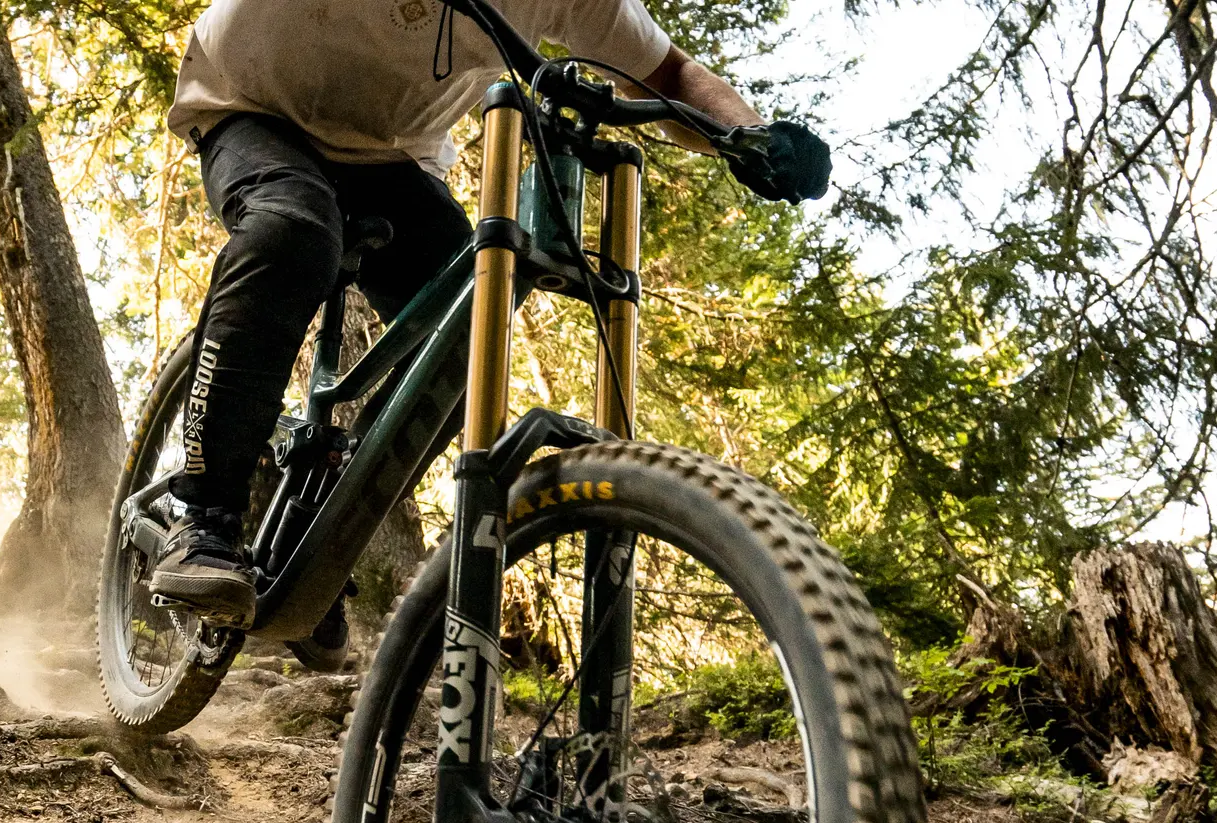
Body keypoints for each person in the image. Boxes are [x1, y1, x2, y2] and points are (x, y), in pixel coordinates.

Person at [147, 0, 832, 648]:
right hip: (250, 108)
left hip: (388, 157)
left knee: (471, 321)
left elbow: (673, 74)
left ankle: (318, 532)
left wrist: (747, 135)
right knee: (291, 233)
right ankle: (204, 517)